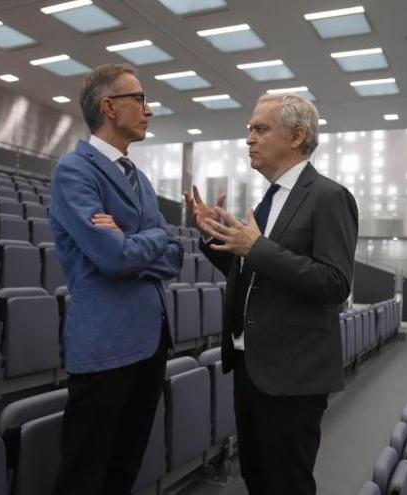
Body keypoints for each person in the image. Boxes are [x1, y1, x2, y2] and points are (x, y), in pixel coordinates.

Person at [185, 93, 358, 494]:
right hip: (252, 365)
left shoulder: (329, 197)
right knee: (258, 478)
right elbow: (253, 272)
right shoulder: (269, 199)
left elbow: (335, 283)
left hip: (293, 372)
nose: (249, 139)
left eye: (260, 129)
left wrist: (257, 248)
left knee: (287, 484)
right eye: (250, 130)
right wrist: (216, 239)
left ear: (297, 136)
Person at [48, 63, 183, 495]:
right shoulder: (75, 170)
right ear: (109, 107)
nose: (149, 110)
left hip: (149, 342)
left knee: (124, 469)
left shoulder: (139, 178)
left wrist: (144, 240)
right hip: (106, 346)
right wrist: (154, 238)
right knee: (86, 475)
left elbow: (175, 257)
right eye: (139, 100)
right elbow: (113, 257)